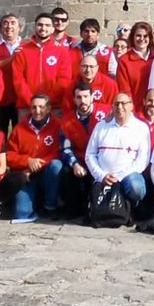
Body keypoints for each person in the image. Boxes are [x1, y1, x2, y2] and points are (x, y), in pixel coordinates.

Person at [85, 93, 153, 218]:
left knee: (137, 187)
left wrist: (120, 176)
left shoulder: (141, 128)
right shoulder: (101, 126)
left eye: (124, 103)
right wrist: (101, 175)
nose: (120, 107)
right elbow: (90, 154)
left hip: (128, 177)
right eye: (116, 104)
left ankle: (129, 210)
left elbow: (143, 160)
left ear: (131, 106)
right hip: (104, 176)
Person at [1, 93, 66, 222]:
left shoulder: (57, 126)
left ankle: (50, 206)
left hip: (47, 173)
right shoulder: (19, 128)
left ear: (48, 109)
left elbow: (59, 151)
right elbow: (9, 155)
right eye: (34, 107)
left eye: (41, 107)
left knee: (56, 165)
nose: (37, 111)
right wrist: (28, 161)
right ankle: (34, 203)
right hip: (26, 175)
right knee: (21, 214)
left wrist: (38, 164)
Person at [9, 13, 76, 115]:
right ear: (34, 27)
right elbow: (18, 79)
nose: (43, 28)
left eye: (47, 25)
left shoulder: (61, 52)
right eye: (40, 25)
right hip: (27, 106)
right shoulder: (22, 51)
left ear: (53, 29)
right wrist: (32, 101)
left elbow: (64, 79)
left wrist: (47, 101)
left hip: (53, 106)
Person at [56, 82, 103, 216]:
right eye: (79, 97)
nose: (83, 101)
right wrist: (75, 164)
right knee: (66, 171)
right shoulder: (66, 121)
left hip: (102, 161)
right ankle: (74, 210)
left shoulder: (106, 114)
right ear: (74, 100)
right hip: (80, 161)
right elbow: (66, 148)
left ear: (92, 97)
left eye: (86, 96)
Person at [116, 21, 154, 102]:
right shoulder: (125, 60)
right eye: (138, 36)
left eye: (145, 36)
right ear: (132, 37)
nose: (142, 39)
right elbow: (124, 90)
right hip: (135, 109)